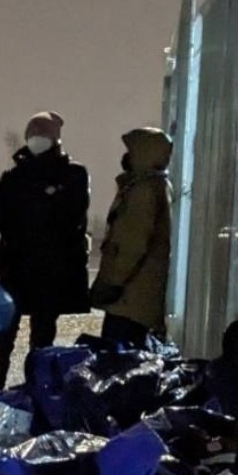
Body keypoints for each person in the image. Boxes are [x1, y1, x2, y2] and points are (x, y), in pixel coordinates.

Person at [0, 111, 90, 390]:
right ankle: (23, 393)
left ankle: (5, 394)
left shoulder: (19, 177)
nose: (37, 140)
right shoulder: (69, 175)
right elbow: (72, 221)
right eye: (34, 135)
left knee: (20, 337)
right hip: (37, 269)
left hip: (29, 269)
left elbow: (4, 221)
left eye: (41, 135)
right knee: (26, 338)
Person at [91, 128, 173, 348]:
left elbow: (131, 244)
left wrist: (111, 282)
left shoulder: (142, 191)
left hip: (129, 298)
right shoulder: (153, 187)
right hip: (137, 297)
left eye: (131, 151)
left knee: (117, 358)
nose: (127, 157)